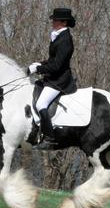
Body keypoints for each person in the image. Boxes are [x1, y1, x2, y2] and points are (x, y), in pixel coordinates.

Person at [27, 8, 77, 150]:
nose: (52, 22)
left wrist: (38, 69)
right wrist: (39, 64)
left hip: (60, 80)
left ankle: (49, 138)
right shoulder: (58, 36)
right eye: (53, 20)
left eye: (55, 20)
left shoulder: (66, 40)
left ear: (63, 22)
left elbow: (56, 66)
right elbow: (52, 60)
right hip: (53, 77)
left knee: (41, 103)